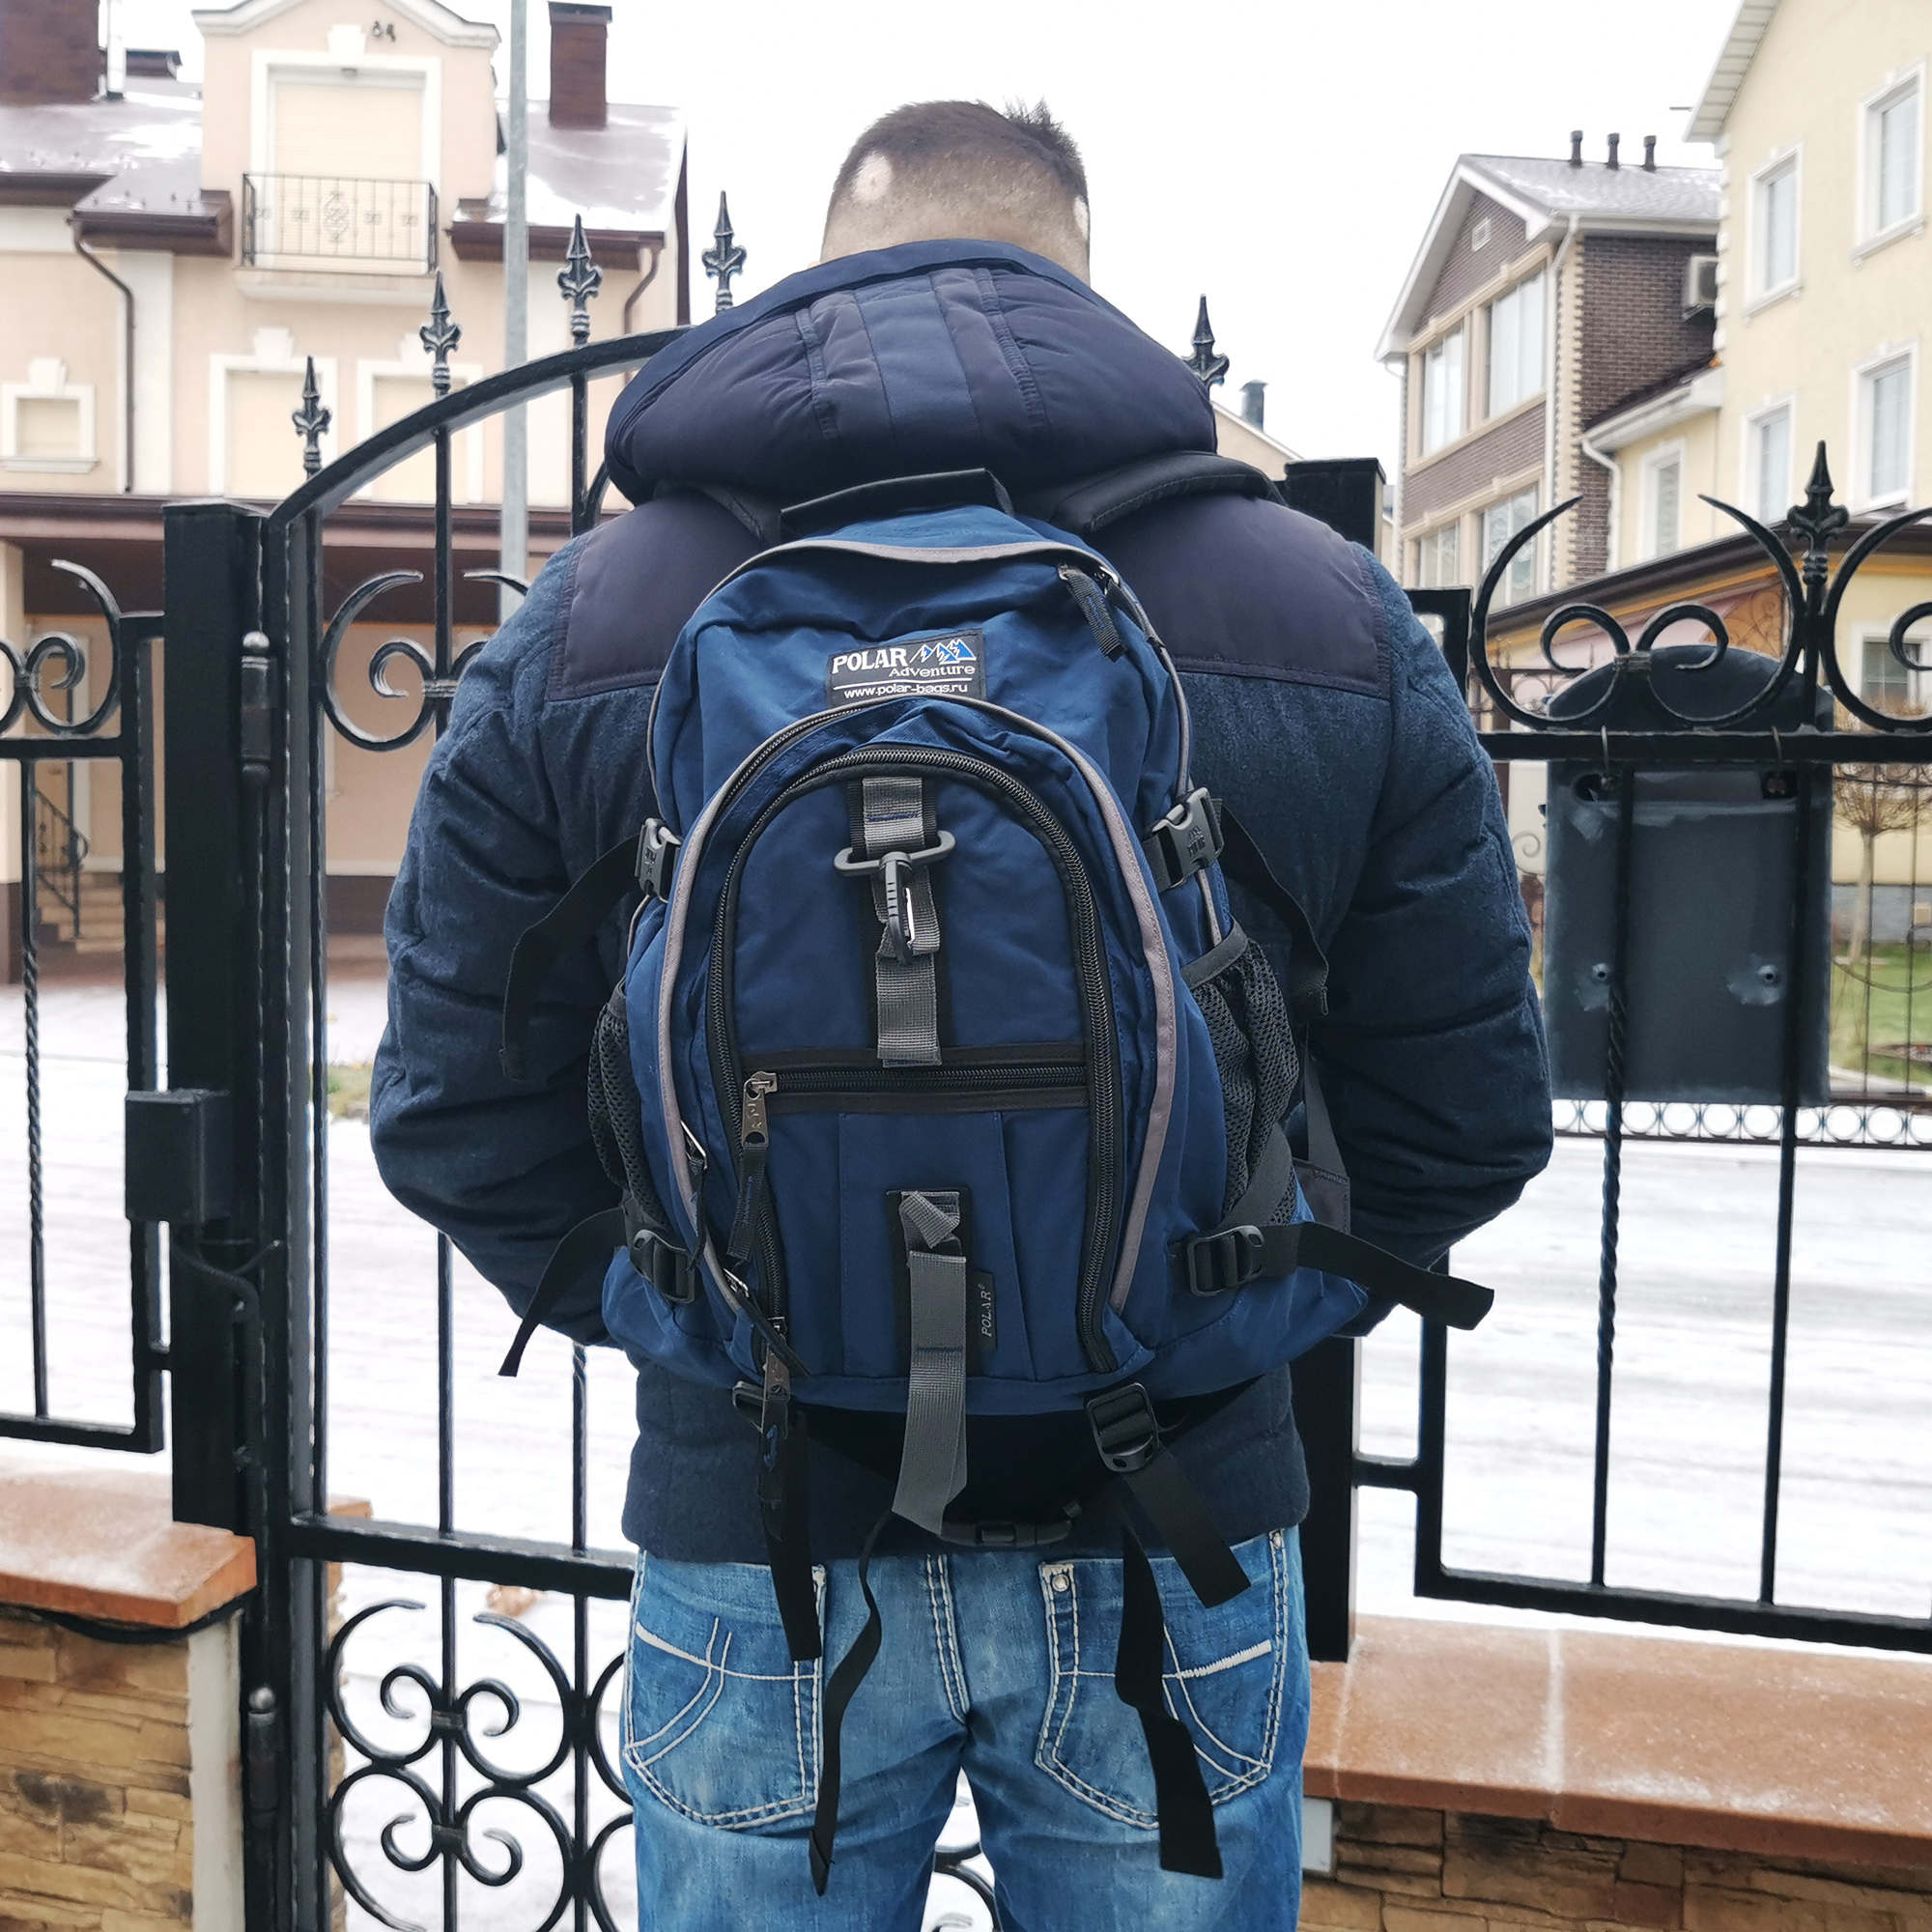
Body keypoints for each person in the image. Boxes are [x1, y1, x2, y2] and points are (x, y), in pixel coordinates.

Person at [371, 99, 1551, 1932]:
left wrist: (707, 1316)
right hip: (1175, 1525)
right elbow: (1464, 1116)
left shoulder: (592, 619)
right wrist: (1211, 1308)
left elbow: (453, 1112)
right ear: (1076, 275)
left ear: (822, 276)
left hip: (758, 1526)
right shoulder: (1318, 608)